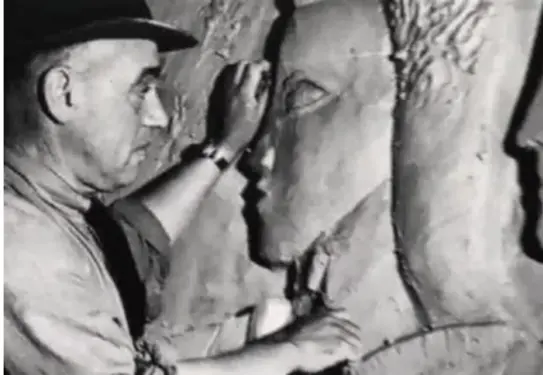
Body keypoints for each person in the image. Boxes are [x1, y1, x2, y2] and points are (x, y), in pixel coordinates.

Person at [3, 0, 363, 374]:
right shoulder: (19, 250)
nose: (157, 117)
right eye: (141, 90)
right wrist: (291, 353)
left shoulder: (42, 209)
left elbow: (127, 249)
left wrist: (223, 148)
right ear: (64, 93)